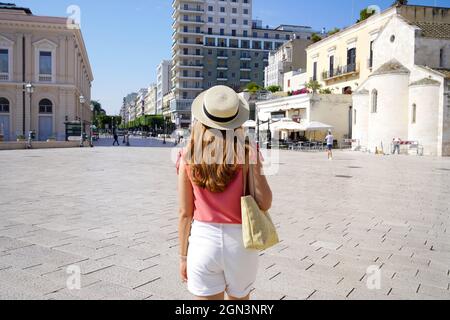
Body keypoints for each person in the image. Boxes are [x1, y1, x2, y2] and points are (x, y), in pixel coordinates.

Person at [177, 85, 273, 301]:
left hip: (203, 242)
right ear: (236, 119)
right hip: (240, 243)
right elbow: (265, 202)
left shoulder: (187, 156)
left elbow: (185, 213)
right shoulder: (248, 152)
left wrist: (183, 257)